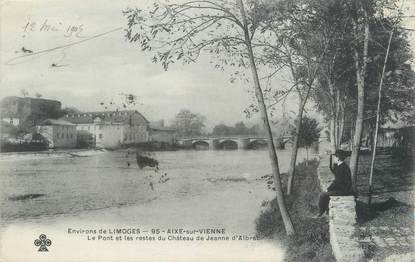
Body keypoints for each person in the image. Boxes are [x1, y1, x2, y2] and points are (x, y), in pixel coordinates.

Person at [316, 149, 353, 217]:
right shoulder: (342, 166)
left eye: (335, 157)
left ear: (338, 158)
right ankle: (326, 211)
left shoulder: (342, 168)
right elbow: (336, 174)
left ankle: (320, 213)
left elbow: (337, 182)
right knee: (326, 194)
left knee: (322, 195)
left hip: (343, 190)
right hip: (343, 188)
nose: (334, 158)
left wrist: (329, 189)